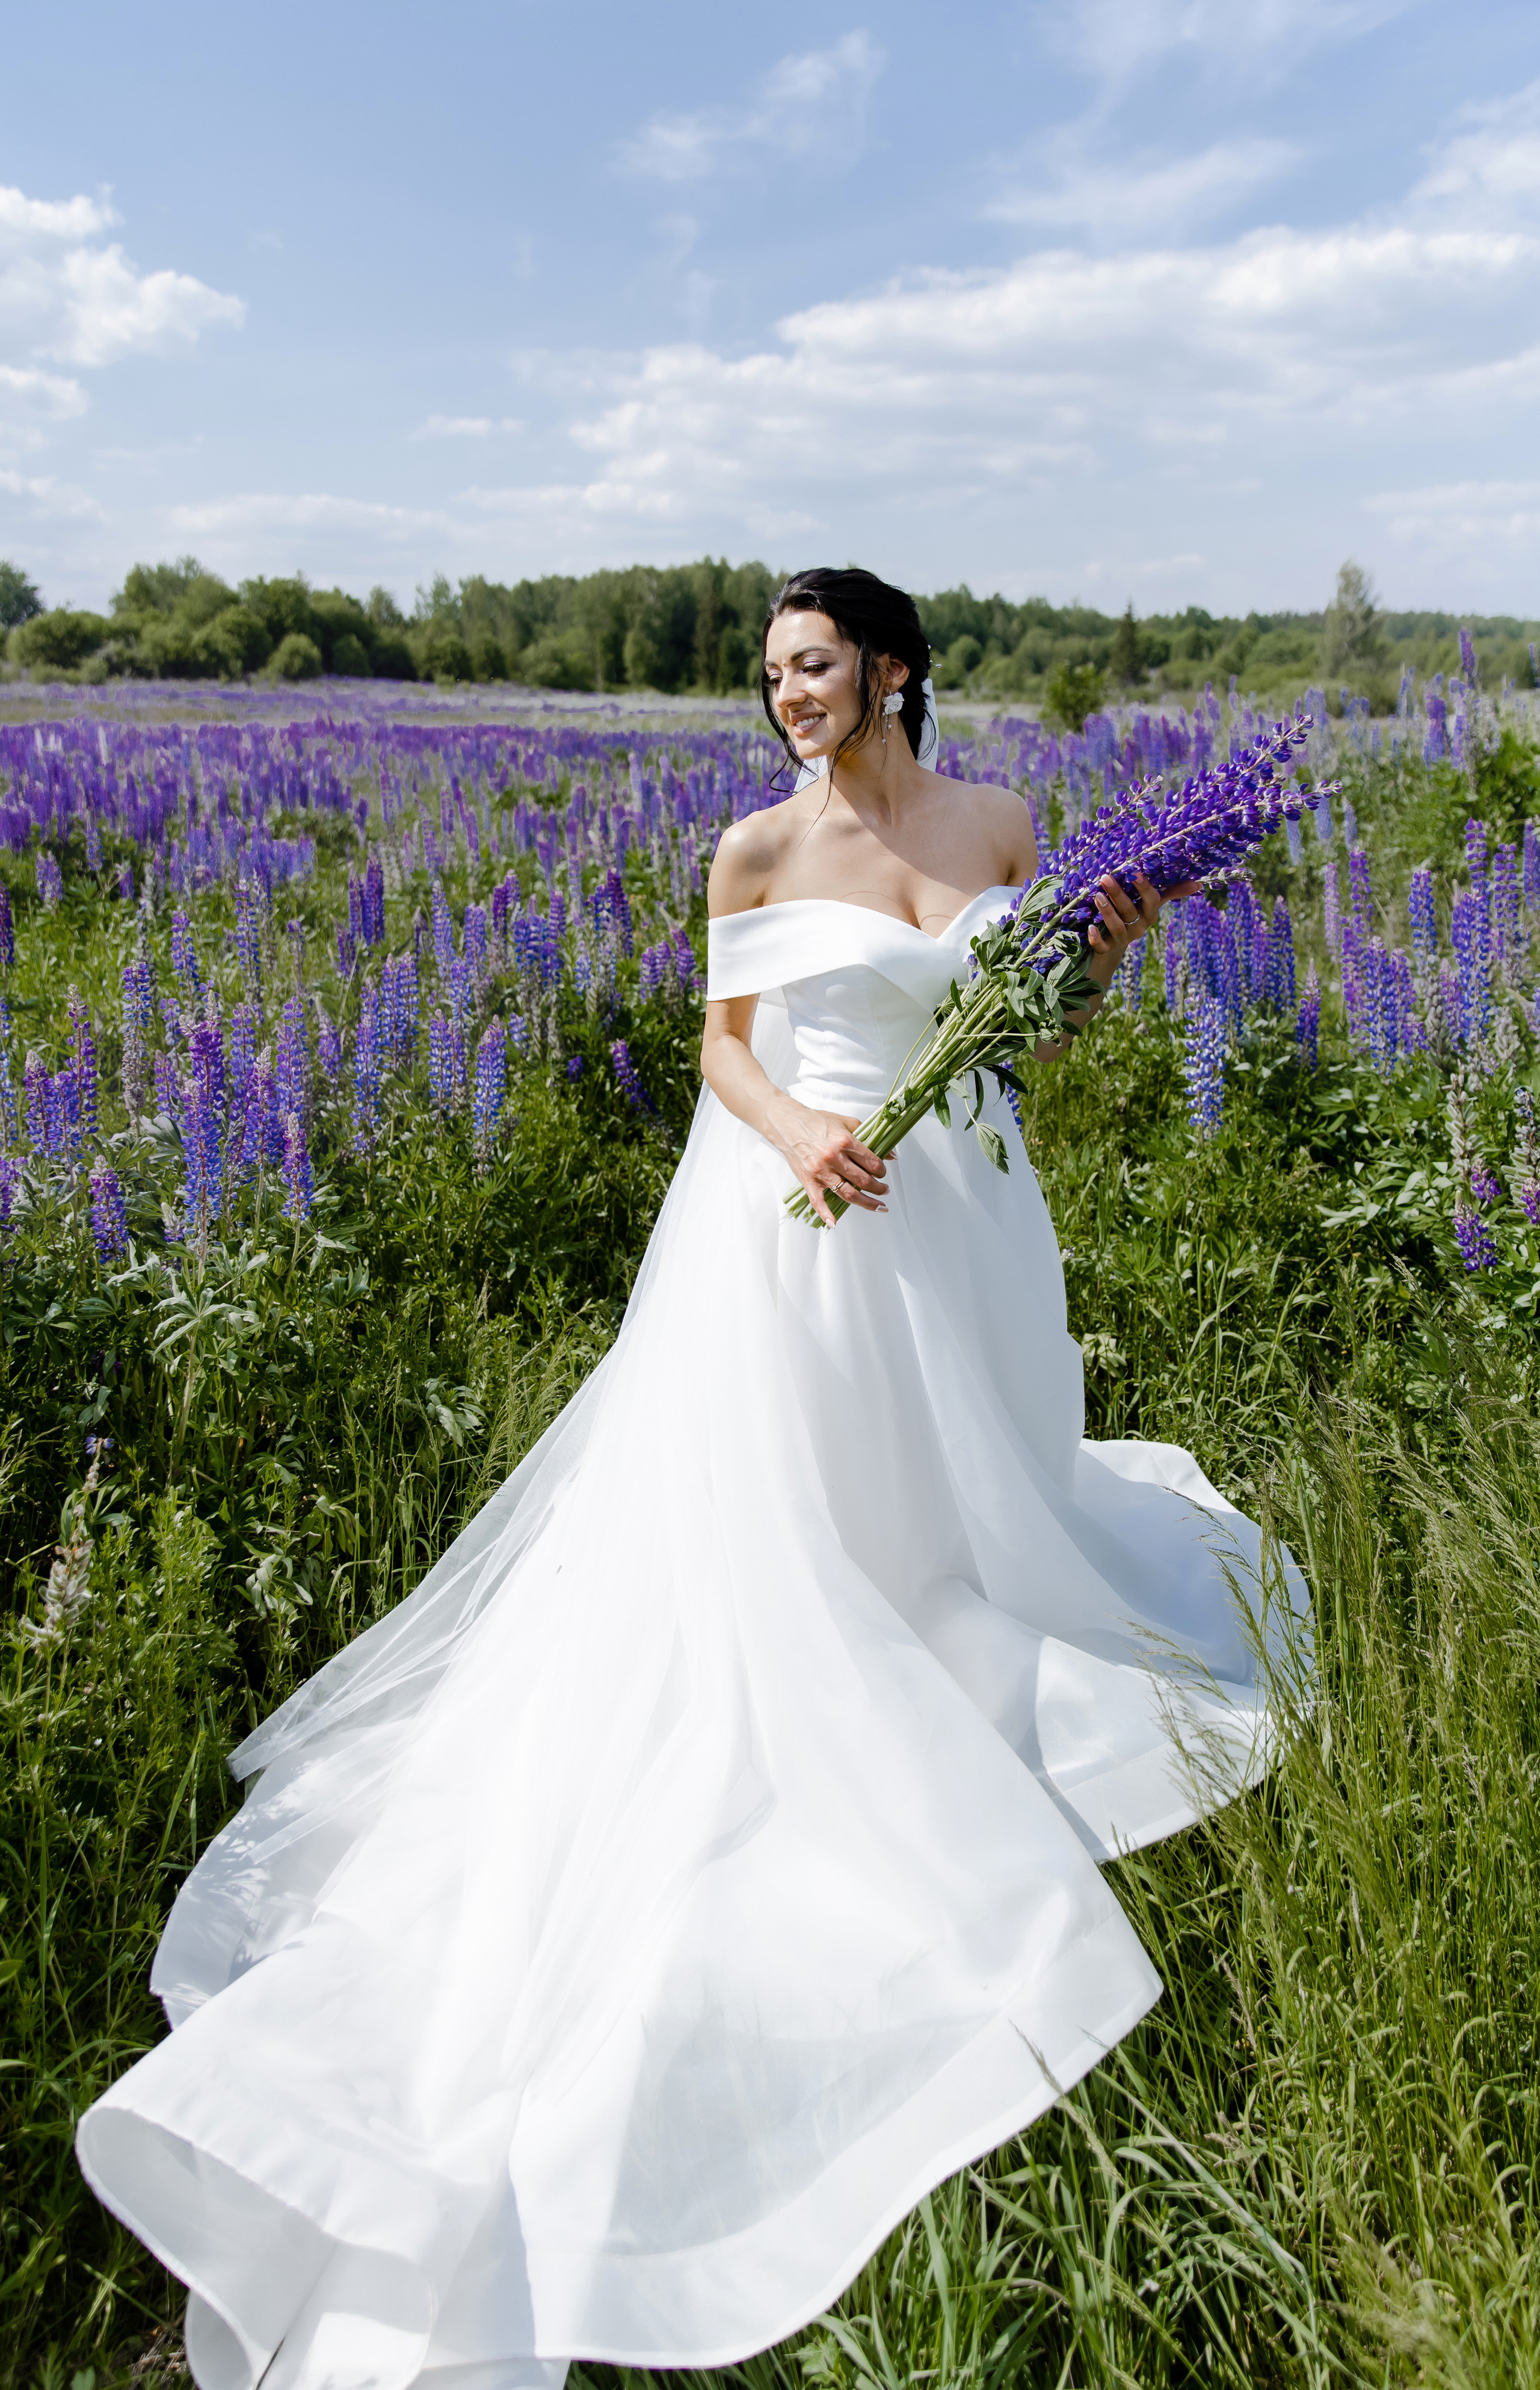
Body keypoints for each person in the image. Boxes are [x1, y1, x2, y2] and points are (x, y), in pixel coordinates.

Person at [78, 567, 1305, 2390]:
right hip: (814, 1227)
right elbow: (723, 1054)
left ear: (892, 667)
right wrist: (806, 1131)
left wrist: (1110, 944)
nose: (790, 694)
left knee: (978, 1514)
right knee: (808, 1542)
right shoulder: (753, 849)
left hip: (972, 1219)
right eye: (772, 674)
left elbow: (1038, 1031)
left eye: (816, 665)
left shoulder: (1002, 822)